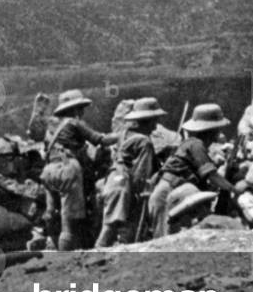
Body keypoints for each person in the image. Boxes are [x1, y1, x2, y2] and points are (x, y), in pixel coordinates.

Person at [36, 89, 116, 251]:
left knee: (51, 212)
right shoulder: (74, 123)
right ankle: (65, 259)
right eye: (80, 108)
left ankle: (51, 247)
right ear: (74, 109)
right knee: (68, 221)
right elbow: (101, 140)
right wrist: (123, 135)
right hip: (67, 170)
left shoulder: (51, 127)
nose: (82, 112)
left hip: (49, 171)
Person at [148, 103, 242, 238]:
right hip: (168, 193)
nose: (219, 133)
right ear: (211, 130)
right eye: (218, 129)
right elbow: (212, 175)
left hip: (171, 191)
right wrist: (234, 189)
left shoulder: (194, 145)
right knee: (164, 238)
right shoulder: (196, 144)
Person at [97, 97, 166, 247]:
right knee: (110, 227)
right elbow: (141, 173)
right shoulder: (144, 141)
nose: (155, 127)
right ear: (148, 120)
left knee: (113, 226)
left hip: (112, 180)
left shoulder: (124, 133)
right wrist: (141, 192)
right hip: (123, 185)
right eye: (154, 121)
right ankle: (94, 255)